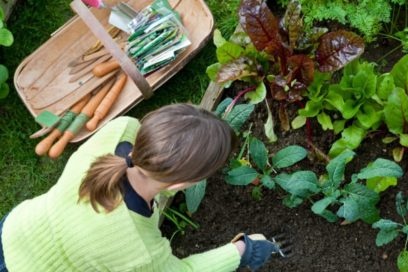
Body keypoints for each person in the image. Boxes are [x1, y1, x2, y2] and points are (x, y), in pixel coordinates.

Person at [0, 103, 282, 272]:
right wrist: (242, 250)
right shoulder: (137, 245)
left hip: (14, 230)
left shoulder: (120, 129)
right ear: (183, 184)